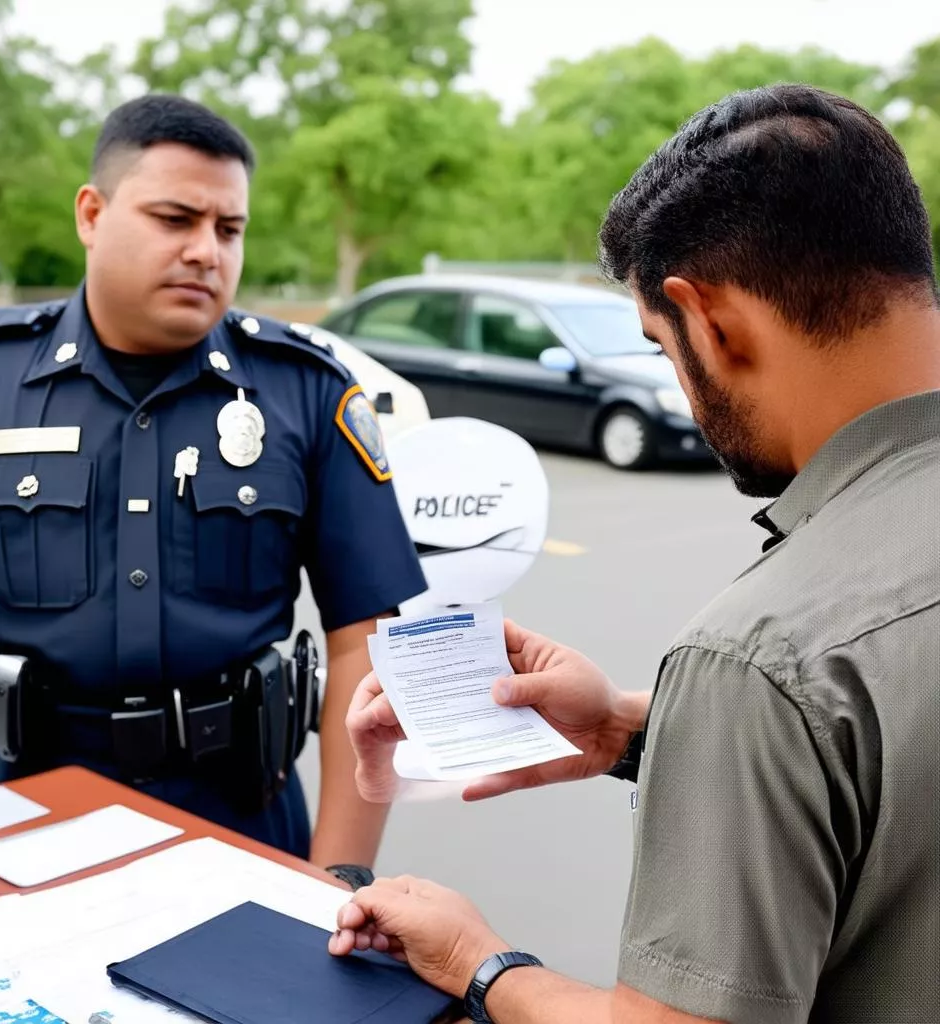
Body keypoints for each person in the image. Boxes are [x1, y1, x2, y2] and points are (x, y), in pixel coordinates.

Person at [327, 83, 940, 1023]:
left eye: (660, 349)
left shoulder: (761, 656)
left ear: (710, 320)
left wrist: (479, 963)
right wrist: (634, 728)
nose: (682, 394)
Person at [0, 93, 428, 873]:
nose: (206, 251)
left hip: (243, 820)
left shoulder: (306, 390)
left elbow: (367, 644)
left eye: (229, 230)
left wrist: (340, 877)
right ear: (91, 214)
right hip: (25, 819)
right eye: (175, 219)